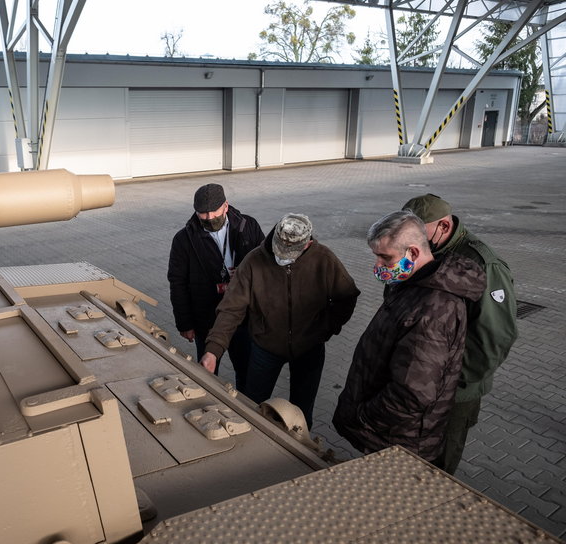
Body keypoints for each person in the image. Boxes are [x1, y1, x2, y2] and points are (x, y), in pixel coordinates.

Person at [333, 210, 485, 462]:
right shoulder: (414, 284)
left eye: (385, 257)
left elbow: (412, 395)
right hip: (388, 435)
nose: (378, 265)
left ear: (413, 253)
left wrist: (362, 418)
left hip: (398, 443)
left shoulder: (432, 311)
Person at [200, 213, 360, 428]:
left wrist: (325, 328)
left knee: (302, 415)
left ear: (307, 244)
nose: (282, 257)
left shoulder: (323, 259)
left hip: (309, 349)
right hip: (265, 348)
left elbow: (347, 295)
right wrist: (213, 350)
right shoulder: (253, 261)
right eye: (279, 250)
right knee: (252, 406)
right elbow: (231, 309)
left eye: (289, 253)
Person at [402, 193, 518, 474]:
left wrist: (450, 377)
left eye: (417, 231)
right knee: (408, 455)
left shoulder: (483, 263)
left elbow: (495, 336)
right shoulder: (419, 251)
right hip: (415, 380)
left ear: (443, 226)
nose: (409, 239)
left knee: (439, 465)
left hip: (454, 392)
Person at [167, 183, 264, 392]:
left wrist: (246, 273)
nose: (209, 218)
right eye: (202, 214)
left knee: (246, 371)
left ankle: (246, 411)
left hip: (242, 318)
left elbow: (265, 266)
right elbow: (177, 283)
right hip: (206, 321)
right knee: (208, 374)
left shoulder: (249, 227)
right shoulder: (183, 240)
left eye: (214, 212)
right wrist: (185, 323)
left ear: (226, 206)